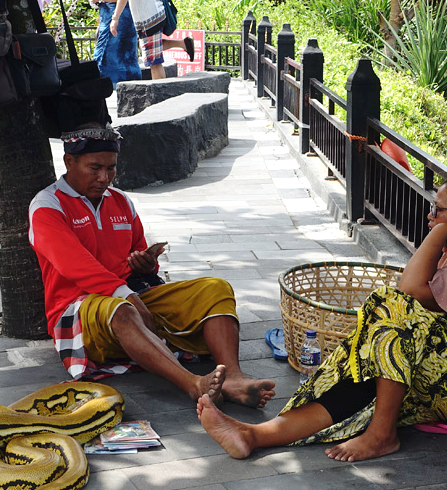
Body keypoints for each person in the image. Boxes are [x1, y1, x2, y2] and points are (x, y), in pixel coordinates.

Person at [197, 173, 447, 461]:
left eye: (438, 210)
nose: (430, 216)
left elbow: (408, 293)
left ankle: (382, 435)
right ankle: (253, 436)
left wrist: (439, 234)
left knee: (391, 307)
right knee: (367, 372)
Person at [28, 126, 276, 408]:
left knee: (214, 289)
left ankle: (233, 377)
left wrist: (146, 263)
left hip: (132, 296)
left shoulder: (120, 201)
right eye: (94, 168)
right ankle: (192, 383)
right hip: (78, 309)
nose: (103, 177)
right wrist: (127, 295)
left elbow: (137, 250)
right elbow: (72, 264)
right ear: (69, 162)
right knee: (121, 309)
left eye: (111, 168)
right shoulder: (47, 205)